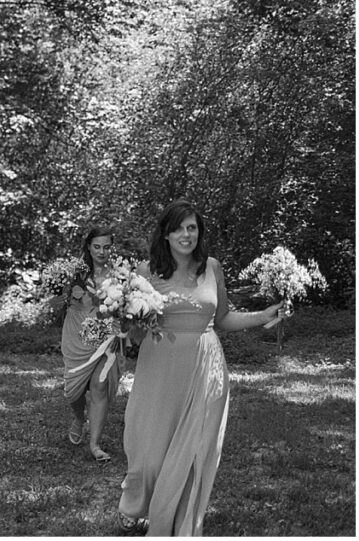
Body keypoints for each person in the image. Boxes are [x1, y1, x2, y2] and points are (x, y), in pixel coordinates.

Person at [118, 200, 285, 535]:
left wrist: (262, 316)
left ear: (199, 232)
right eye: (179, 227)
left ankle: (180, 524)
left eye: (192, 227)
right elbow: (132, 332)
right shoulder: (144, 271)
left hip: (205, 366)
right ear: (165, 234)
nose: (186, 234)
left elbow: (222, 317)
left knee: (195, 452)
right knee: (147, 452)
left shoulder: (211, 266)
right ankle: (137, 503)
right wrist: (127, 317)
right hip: (159, 368)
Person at [61, 226, 120, 462]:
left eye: (106, 247)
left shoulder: (119, 274)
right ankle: (78, 417)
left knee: (99, 385)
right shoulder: (75, 272)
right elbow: (58, 300)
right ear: (89, 247)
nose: (102, 251)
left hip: (105, 335)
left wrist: (119, 332)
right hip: (76, 334)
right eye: (97, 246)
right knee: (73, 390)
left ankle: (95, 444)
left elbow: (125, 307)